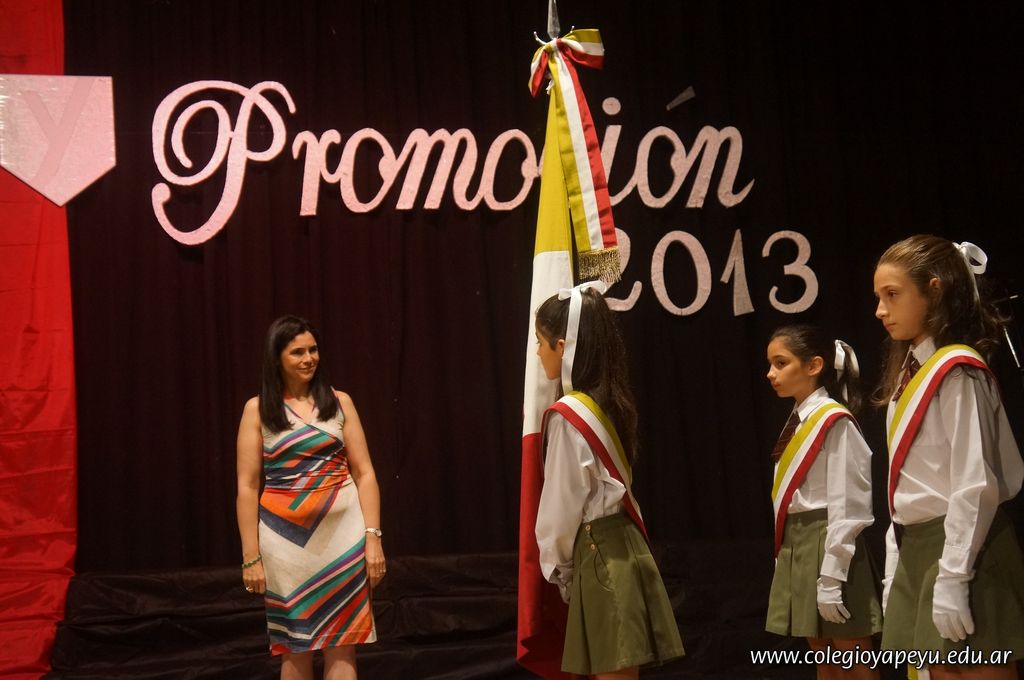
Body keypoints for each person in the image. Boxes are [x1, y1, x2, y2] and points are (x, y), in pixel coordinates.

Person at [873, 235, 1024, 679]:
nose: (880, 310)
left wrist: (955, 575)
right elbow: (907, 484)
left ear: (934, 290)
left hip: (965, 550)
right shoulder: (909, 375)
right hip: (921, 550)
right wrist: (896, 564)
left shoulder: (958, 371)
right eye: (878, 297)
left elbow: (975, 483)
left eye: (892, 295)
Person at [533, 281, 684, 680]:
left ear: (562, 347)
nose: (538, 353)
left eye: (541, 343)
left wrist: (559, 568)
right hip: (625, 546)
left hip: (598, 553)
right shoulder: (609, 400)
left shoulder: (569, 415)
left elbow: (562, 503)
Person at [236, 315, 384, 680]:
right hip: (285, 545)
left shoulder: (340, 402)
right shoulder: (257, 410)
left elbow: (365, 473)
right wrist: (250, 557)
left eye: (313, 350)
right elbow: (247, 486)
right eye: (297, 352)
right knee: (294, 646)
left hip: (343, 539)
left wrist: (373, 537)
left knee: (344, 643)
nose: (308, 359)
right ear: (277, 358)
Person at [764, 324, 881, 680]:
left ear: (814, 365)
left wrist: (832, 575)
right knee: (825, 662)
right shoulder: (797, 420)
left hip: (830, 544)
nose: (771, 374)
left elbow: (850, 502)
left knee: (854, 662)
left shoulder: (833, 420)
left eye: (781, 363)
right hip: (800, 544)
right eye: (770, 364)